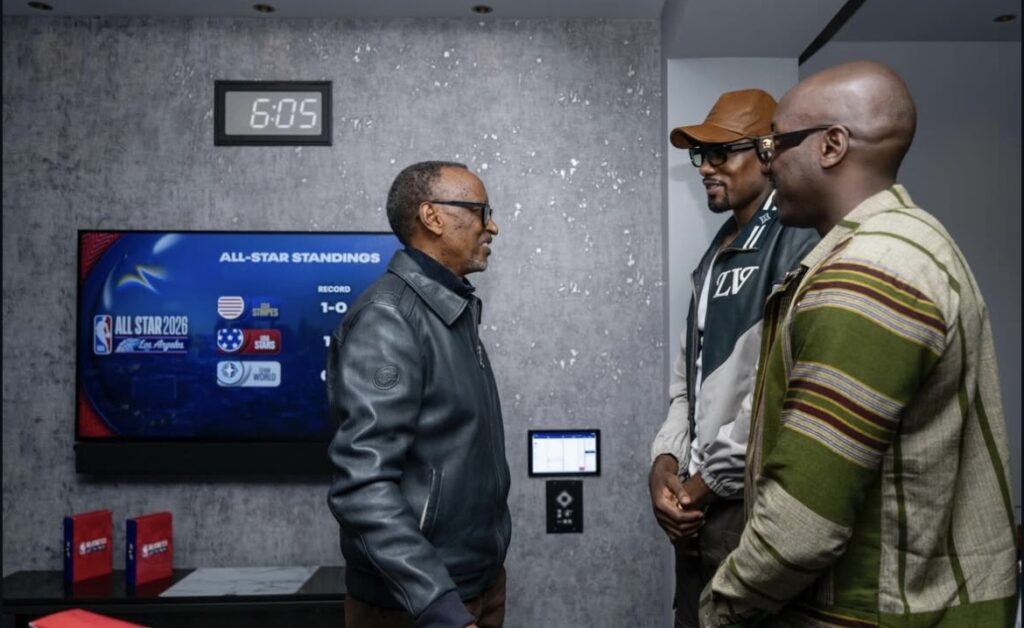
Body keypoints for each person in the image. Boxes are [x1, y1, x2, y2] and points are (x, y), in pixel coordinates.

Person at [700, 61, 1018, 627]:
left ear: (832, 146)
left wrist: (720, 608)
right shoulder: (911, 241)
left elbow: (802, 525)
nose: (769, 162)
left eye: (778, 144)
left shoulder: (866, 275)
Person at [649, 89, 818, 628]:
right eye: (701, 155)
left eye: (721, 153)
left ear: (768, 153)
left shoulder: (798, 242)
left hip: (746, 507)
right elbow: (689, 383)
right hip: (701, 508)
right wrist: (664, 466)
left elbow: (780, 394)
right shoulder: (717, 252)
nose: (705, 167)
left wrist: (699, 489)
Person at [327, 161, 509, 628]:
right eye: (482, 211)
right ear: (432, 217)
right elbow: (362, 487)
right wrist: (438, 605)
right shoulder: (389, 318)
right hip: (417, 605)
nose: (492, 226)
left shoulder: (451, 309)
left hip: (476, 586)